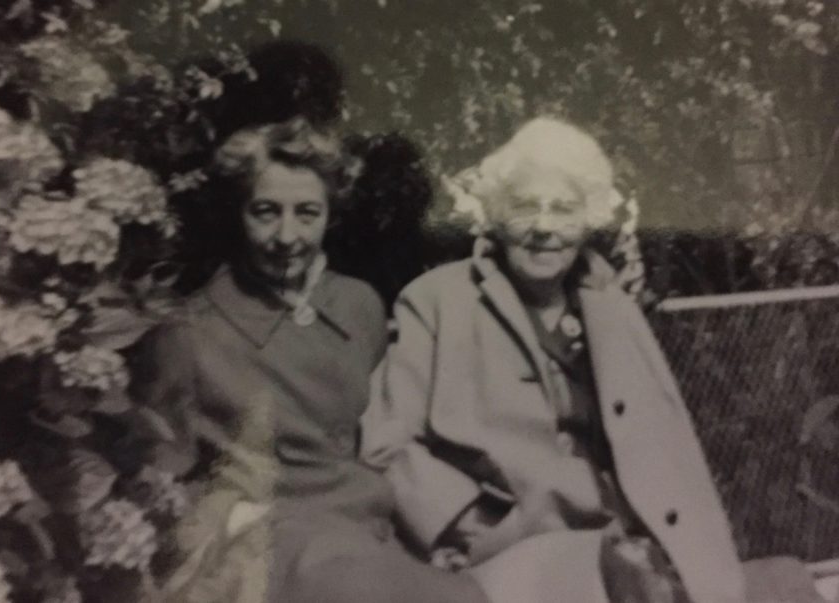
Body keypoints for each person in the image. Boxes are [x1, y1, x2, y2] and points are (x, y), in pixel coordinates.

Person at [360, 116, 811, 603]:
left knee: (787, 583)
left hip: (622, 535)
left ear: (588, 219)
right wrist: (468, 525)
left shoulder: (609, 304)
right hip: (517, 549)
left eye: (564, 209)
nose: (544, 227)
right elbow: (385, 444)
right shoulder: (437, 301)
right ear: (495, 214)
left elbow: (666, 444)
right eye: (525, 207)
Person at [136, 118, 491, 603]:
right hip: (279, 551)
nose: (287, 236)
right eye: (265, 212)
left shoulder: (358, 305)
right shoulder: (190, 333)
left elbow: (392, 436)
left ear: (330, 213)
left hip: (371, 528)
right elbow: (159, 484)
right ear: (237, 212)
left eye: (308, 213)